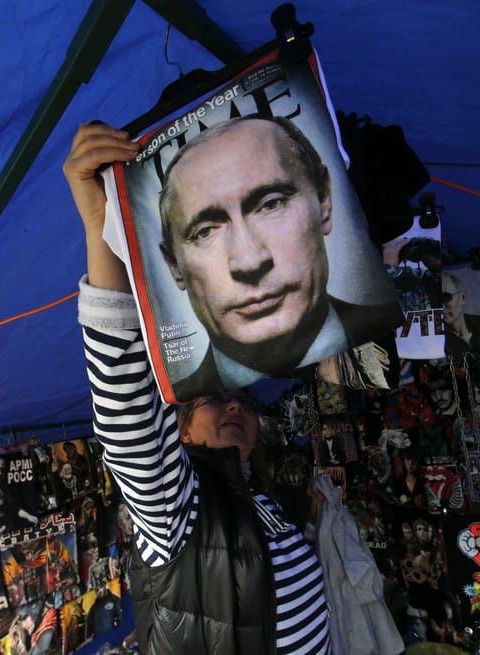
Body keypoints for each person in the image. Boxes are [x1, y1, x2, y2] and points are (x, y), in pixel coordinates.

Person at [63, 121, 332, 654]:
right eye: (210, 399)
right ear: (178, 434)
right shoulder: (176, 511)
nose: (234, 405)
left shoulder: (263, 499)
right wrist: (101, 228)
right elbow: (126, 411)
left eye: (271, 203)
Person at [155, 115, 399, 399]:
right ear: (174, 265)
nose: (249, 262)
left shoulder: (396, 329)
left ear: (324, 200)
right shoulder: (184, 399)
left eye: (271, 205)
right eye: (205, 231)